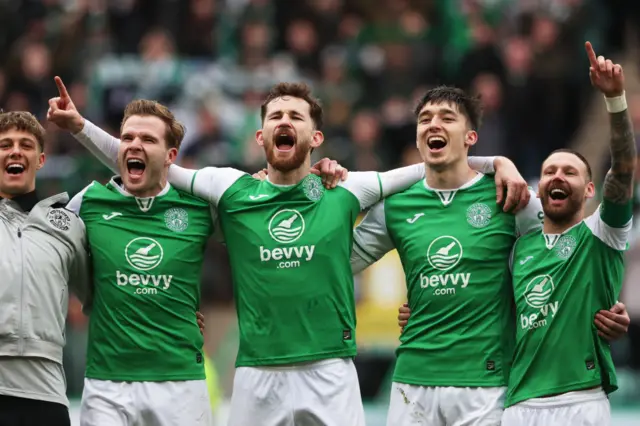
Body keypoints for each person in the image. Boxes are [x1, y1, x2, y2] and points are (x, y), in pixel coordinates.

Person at [49, 79, 527, 426]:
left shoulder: (347, 189)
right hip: (257, 370)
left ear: (315, 139)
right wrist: (79, 127)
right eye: (274, 116)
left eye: (295, 116)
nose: (284, 121)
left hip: (330, 368)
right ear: (260, 138)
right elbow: (147, 156)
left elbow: (435, 164)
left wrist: (496, 162)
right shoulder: (229, 188)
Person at [351, 83, 631, 426]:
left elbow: (558, 254)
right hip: (412, 380)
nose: (433, 124)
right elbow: (339, 263)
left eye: (446, 117)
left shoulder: (510, 197)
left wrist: (602, 308)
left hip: (486, 384)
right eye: (424, 119)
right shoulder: (395, 206)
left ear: (470, 137)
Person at [500, 41, 636, 426]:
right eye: (549, 172)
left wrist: (614, 99)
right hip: (519, 403)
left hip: (582, 400)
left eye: (570, 171)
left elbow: (624, 168)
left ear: (590, 190)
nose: (557, 176)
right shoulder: (517, 249)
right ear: (538, 187)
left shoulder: (602, 234)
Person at [0, 111, 90, 426]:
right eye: (5, 144)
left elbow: (104, 297)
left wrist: (168, 313)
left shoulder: (68, 226)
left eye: (25, 144)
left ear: (40, 160)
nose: (14, 151)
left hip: (46, 393)